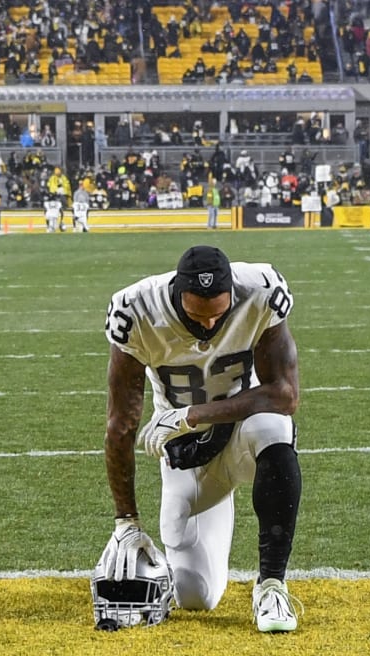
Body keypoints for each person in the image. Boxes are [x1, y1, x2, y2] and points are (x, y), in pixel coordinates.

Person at [99, 245, 303, 633]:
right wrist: (126, 519)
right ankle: (208, 521)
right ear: (177, 295)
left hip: (241, 433)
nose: (209, 326)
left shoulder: (260, 289)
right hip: (186, 455)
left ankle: (272, 585)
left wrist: (193, 415)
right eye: (196, 316)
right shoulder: (136, 310)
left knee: (273, 426)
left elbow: (285, 394)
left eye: (218, 315)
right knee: (196, 596)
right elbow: (120, 424)